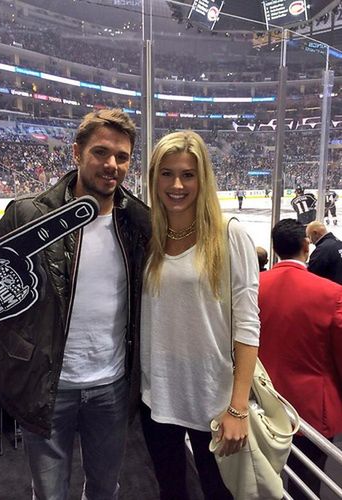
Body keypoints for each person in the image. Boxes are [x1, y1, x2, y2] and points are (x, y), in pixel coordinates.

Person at [0, 109, 151, 500]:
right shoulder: (28, 215)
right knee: (50, 494)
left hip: (111, 386)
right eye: (101, 152)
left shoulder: (138, 223)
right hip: (48, 386)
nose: (111, 165)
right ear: (77, 153)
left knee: (105, 490)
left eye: (122, 157)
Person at [140, 130, 260, 500]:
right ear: (153, 178)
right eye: (167, 173)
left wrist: (238, 407)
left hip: (213, 398)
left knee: (217, 493)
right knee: (171, 491)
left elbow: (247, 323)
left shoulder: (228, 236)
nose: (176, 184)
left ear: (202, 179)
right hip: (156, 395)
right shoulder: (148, 235)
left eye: (188, 175)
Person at [258, 218, 342, 500]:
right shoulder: (331, 294)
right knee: (308, 483)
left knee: (265, 476)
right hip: (312, 412)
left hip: (262, 405)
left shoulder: (254, 287)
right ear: (306, 247)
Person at [306, 220, 342, 284]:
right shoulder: (339, 243)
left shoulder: (321, 251)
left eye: (309, 236)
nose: (310, 241)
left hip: (332, 289)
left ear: (315, 233)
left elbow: (311, 275)